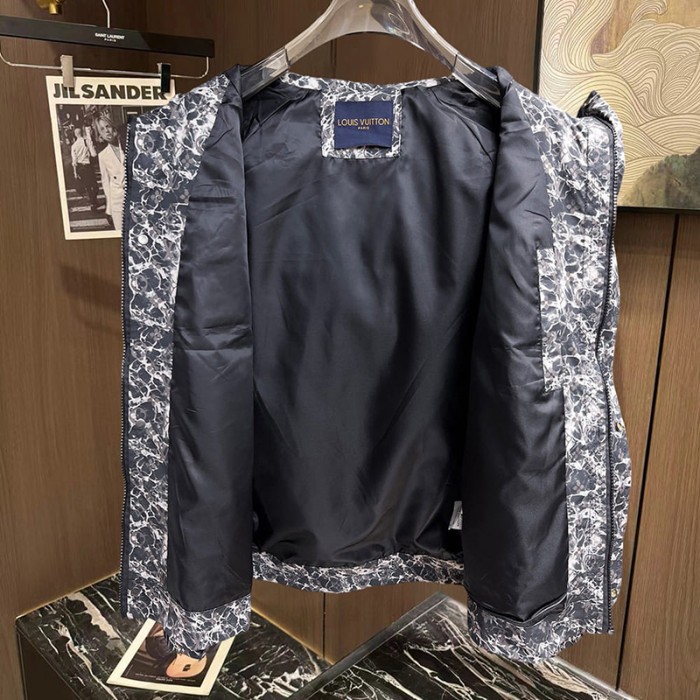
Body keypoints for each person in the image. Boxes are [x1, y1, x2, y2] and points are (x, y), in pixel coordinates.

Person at [95, 116, 125, 232]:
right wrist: (109, 208)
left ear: (113, 128)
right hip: (118, 202)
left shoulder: (128, 145)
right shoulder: (102, 156)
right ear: (100, 135)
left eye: (107, 126)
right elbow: (106, 183)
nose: (106, 131)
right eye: (102, 129)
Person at [70, 127, 98, 210]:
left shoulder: (73, 146)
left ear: (75, 135)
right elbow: (94, 154)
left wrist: (75, 173)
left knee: (88, 186)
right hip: (88, 167)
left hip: (80, 168)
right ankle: (94, 201)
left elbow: (74, 161)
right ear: (82, 133)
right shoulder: (87, 141)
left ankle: (93, 202)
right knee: (95, 186)